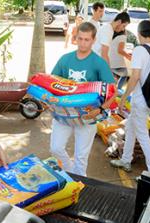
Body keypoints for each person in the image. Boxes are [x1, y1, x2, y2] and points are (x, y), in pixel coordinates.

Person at [50, 22, 115, 177]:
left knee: (81, 157)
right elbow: (52, 84)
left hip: (87, 116)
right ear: (76, 38)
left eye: (87, 39)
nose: (83, 43)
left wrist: (100, 110)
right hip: (64, 114)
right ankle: (71, 173)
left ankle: (80, 183)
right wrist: (49, 102)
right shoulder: (65, 59)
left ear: (93, 40)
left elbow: (112, 91)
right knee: (55, 148)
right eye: (80, 39)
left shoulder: (99, 62)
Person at [110, 20, 150, 172]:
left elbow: (134, 77)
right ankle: (126, 159)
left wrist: (123, 97)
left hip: (140, 99)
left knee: (141, 133)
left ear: (140, 33)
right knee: (131, 127)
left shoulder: (140, 50)